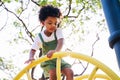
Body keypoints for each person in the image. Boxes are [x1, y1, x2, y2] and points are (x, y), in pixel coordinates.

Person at [25, 5, 73, 80]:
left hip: (58, 59)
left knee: (70, 72)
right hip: (48, 61)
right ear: (43, 23)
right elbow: (33, 49)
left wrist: (56, 51)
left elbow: (61, 41)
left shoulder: (58, 31)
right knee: (53, 73)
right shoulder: (40, 36)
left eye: (55, 23)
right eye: (50, 23)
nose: (53, 26)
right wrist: (31, 57)